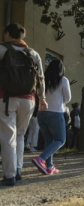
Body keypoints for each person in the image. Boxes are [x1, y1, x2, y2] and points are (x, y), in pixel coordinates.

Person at [0, 23, 48, 186]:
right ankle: (18, 169)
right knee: (20, 135)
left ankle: (10, 175)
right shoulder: (33, 53)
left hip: (6, 99)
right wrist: (42, 98)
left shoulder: (2, 50)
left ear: (7, 34)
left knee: (8, 136)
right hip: (29, 100)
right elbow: (41, 78)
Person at [32, 59, 71, 175]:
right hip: (55, 113)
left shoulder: (43, 80)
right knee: (60, 140)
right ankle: (41, 159)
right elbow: (68, 98)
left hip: (41, 113)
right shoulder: (63, 80)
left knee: (49, 141)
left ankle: (49, 167)